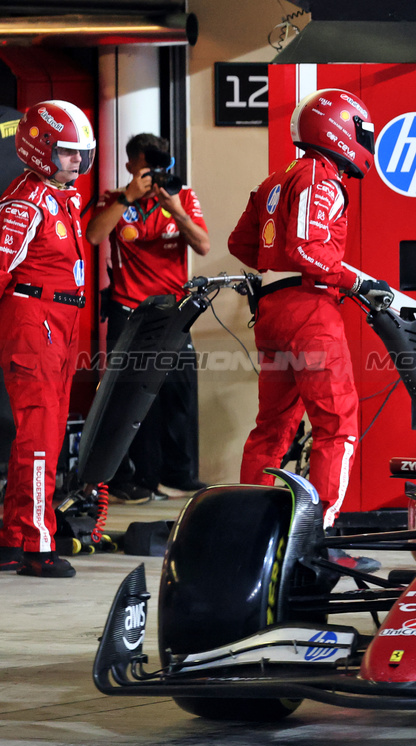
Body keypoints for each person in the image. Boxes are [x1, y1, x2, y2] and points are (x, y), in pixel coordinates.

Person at [228, 88, 389, 574]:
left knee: (271, 429)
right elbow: (306, 247)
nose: (365, 142)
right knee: (337, 426)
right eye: (361, 132)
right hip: (309, 309)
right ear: (339, 129)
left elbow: (241, 244)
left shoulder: (276, 178)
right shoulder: (322, 177)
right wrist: (354, 280)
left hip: (272, 311)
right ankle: (320, 541)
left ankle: (247, 534)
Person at [85, 133, 211, 503]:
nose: (153, 175)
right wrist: (128, 197)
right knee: (128, 399)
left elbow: (203, 245)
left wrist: (176, 209)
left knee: (179, 396)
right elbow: (93, 235)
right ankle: (129, 479)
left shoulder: (181, 196)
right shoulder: (114, 198)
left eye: (158, 167)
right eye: (146, 167)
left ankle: (177, 475)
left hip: (174, 310)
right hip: (128, 311)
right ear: (130, 166)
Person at [0, 100, 96, 577]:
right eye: (67, 151)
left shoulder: (61, 197)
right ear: (41, 150)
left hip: (61, 322)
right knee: (39, 436)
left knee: (45, 435)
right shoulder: (25, 203)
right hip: (33, 319)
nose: (77, 160)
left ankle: (13, 539)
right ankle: (38, 545)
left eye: (81, 152)